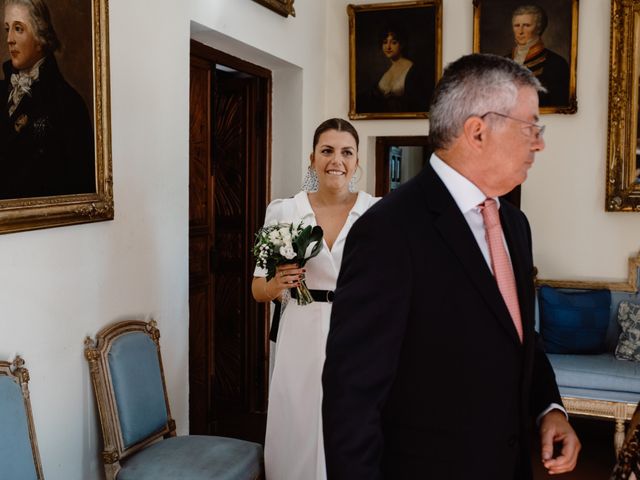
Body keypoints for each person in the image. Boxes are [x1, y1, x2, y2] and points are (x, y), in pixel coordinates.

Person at [322, 54, 581, 479]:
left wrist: (549, 409)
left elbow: (517, 337)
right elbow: (352, 398)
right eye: (531, 126)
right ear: (477, 131)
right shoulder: (389, 231)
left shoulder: (514, 225)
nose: (539, 142)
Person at [251, 118, 378, 480]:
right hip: (302, 327)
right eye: (327, 151)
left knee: (354, 420)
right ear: (312, 159)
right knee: (299, 420)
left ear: (357, 162)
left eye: (345, 152)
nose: (335, 160)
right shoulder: (284, 211)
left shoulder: (377, 212)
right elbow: (258, 288)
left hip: (359, 331)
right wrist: (277, 283)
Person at [0, 0, 95, 199]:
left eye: (19, 29)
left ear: (40, 38)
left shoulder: (67, 104)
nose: (9, 39)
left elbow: (79, 189)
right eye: (7, 29)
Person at [508, 4, 570, 108]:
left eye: (527, 25)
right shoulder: (502, 61)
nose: (520, 31)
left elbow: (558, 108)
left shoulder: (556, 63)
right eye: (517, 25)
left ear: (539, 28)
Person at [358, 26, 431, 114]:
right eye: (385, 42)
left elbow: (418, 103)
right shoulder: (386, 72)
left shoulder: (412, 69)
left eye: (394, 42)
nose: (388, 47)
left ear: (402, 44)